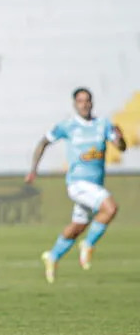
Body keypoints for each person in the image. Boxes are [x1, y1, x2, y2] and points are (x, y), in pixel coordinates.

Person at [26, 88, 126, 283]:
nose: (84, 104)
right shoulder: (68, 126)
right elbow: (43, 142)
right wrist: (33, 169)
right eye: (80, 101)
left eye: (87, 100)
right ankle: (88, 245)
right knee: (111, 208)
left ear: (92, 103)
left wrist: (121, 139)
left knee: (77, 227)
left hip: (95, 186)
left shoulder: (103, 124)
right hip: (78, 184)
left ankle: (52, 256)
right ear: (75, 104)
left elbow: (120, 147)